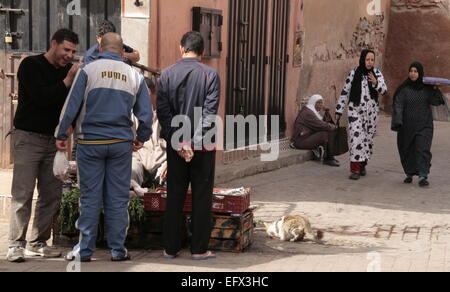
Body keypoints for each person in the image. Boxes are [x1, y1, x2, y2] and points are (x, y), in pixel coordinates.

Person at [55, 33, 153, 262]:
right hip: (120, 144)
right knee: (118, 198)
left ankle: (85, 250)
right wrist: (142, 137)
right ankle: (118, 250)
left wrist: (61, 133)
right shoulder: (134, 75)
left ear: (100, 49)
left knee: (89, 197)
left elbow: (71, 105)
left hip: (90, 143)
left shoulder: (88, 70)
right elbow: (146, 114)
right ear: (122, 52)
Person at [6, 29, 80, 263]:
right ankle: (16, 245)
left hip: (54, 140)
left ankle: (38, 242)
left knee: (51, 194)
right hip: (28, 137)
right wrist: (68, 80)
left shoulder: (69, 70)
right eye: (66, 49)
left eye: (73, 52)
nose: (69, 55)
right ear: (53, 44)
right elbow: (41, 97)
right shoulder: (31, 65)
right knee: (23, 193)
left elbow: (72, 104)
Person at [157, 31, 220, 260]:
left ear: (180, 47)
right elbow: (209, 114)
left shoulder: (166, 74)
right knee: (202, 196)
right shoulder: (210, 75)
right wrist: (192, 143)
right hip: (202, 148)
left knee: (175, 195)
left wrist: (180, 142)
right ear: (202, 52)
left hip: (176, 147)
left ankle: (170, 248)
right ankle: (199, 250)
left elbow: (163, 113)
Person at [335, 49, 388, 180]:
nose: (369, 62)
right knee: (356, 139)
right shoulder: (353, 74)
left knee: (367, 141)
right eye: (367, 59)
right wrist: (338, 110)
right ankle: (355, 169)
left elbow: (384, 90)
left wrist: (375, 82)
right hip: (355, 111)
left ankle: (362, 163)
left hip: (371, 115)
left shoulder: (376, 73)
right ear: (362, 59)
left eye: (372, 60)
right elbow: (344, 92)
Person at [391, 62, 444, 187]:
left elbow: (437, 102)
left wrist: (436, 89)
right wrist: (398, 121)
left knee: (422, 149)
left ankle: (423, 175)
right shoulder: (404, 90)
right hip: (407, 127)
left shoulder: (427, 89)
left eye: (415, 71)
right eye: (411, 71)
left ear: (420, 73)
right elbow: (398, 105)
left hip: (424, 125)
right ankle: (409, 173)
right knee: (407, 150)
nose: (413, 73)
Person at [291, 95, 340, 167]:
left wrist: (326, 112)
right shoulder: (308, 113)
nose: (321, 105)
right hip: (299, 141)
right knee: (325, 133)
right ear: (313, 102)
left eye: (321, 103)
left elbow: (324, 122)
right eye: (318, 103)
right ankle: (328, 158)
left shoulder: (312, 111)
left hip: (306, 137)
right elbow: (320, 124)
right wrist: (334, 127)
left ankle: (329, 157)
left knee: (328, 130)